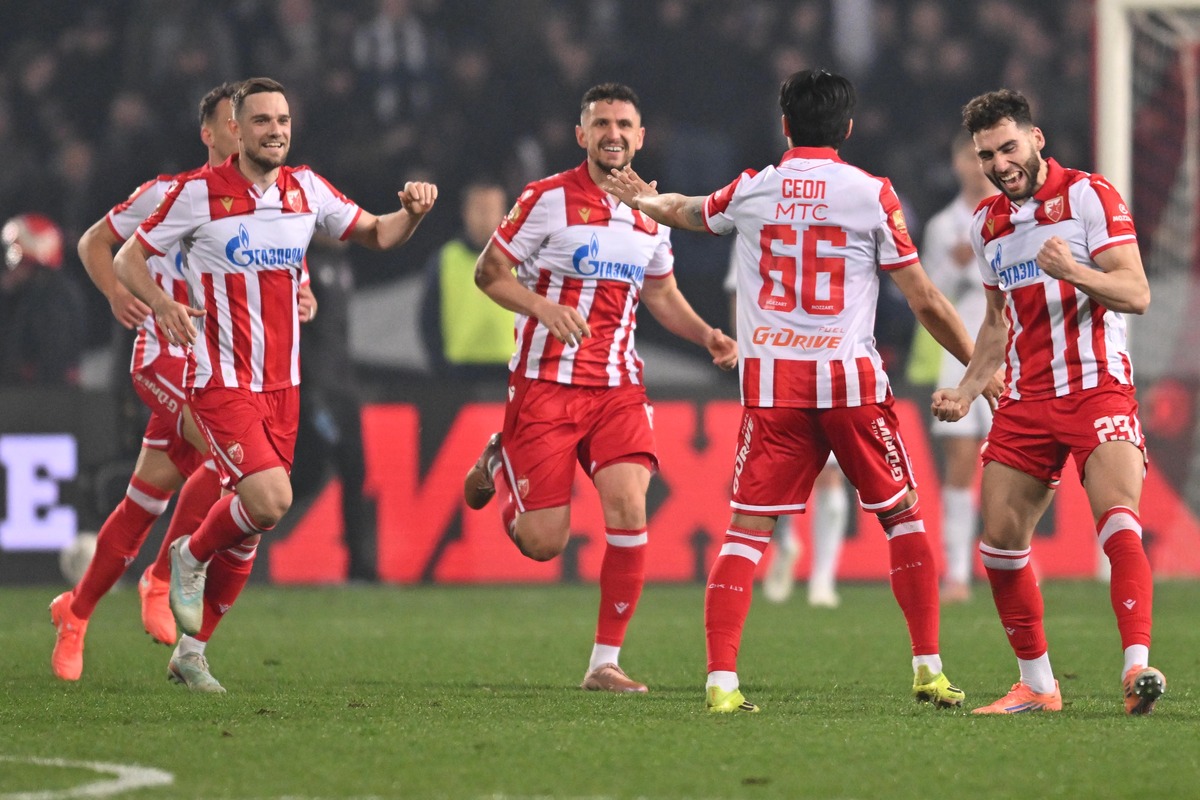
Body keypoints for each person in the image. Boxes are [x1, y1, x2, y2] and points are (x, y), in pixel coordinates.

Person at [604, 68, 993, 713]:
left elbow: (687, 211)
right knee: (902, 519)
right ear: (847, 127)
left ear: (785, 126)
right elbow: (924, 297)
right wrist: (982, 366)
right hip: (848, 383)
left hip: (774, 387)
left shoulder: (754, 189)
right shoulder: (873, 195)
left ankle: (722, 683)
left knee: (745, 532)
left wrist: (644, 200)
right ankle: (928, 669)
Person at [112, 77, 437, 689]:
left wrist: (412, 214)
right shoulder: (196, 194)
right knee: (270, 500)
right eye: (262, 120)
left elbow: (377, 233)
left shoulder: (306, 189)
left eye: (283, 119)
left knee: (254, 526)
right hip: (220, 380)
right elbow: (129, 256)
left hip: (283, 386)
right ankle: (188, 554)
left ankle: (191, 653)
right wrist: (161, 303)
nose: (276, 130)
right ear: (236, 128)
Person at [463, 83, 737, 694]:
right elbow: (489, 272)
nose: (614, 133)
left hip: (617, 387)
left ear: (641, 137)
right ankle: (501, 456)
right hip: (545, 387)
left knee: (630, 506)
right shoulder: (545, 199)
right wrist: (540, 306)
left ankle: (603, 663)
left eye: (625, 124)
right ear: (582, 135)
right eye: (602, 123)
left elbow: (661, 294)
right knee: (542, 543)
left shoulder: (652, 209)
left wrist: (709, 336)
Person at [50, 83, 318, 691]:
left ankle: (78, 612)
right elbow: (95, 242)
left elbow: (281, 264)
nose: (247, 133)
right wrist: (121, 293)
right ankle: (170, 574)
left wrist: (302, 291)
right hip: (165, 359)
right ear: (214, 133)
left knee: (145, 499)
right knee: (243, 471)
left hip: (220, 364)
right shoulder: (169, 194)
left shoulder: (265, 203)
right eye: (236, 123)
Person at [933, 88, 1164, 715]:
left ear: (1036, 140)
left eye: (1009, 148)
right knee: (998, 546)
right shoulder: (989, 224)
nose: (1000, 164)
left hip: (1097, 388)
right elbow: (994, 324)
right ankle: (1038, 685)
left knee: (1118, 519)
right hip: (1027, 400)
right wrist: (969, 386)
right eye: (987, 155)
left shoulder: (1090, 196)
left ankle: (1136, 670)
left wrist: (1075, 272)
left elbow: (1135, 291)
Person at [723, 242, 848, 607]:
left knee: (822, 472)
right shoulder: (753, 223)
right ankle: (800, 557)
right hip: (788, 361)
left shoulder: (825, 226)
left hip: (816, 358)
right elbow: (740, 295)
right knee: (785, 470)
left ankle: (818, 574)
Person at [917, 130, 999, 603]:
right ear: (956, 163)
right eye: (968, 156)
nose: (975, 164)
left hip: (1008, 352)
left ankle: (1015, 550)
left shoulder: (1011, 216)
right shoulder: (943, 225)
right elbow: (931, 291)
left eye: (981, 156)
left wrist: (972, 263)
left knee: (1015, 462)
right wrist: (961, 264)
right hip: (957, 354)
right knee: (961, 463)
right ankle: (957, 574)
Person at [292, 235, 377, 582]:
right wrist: (310, 390)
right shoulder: (303, 261)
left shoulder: (343, 264)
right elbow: (299, 332)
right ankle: (233, 533)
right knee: (303, 476)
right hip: (316, 391)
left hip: (343, 389)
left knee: (355, 472)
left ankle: (360, 566)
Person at [420, 181, 514, 383]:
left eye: (491, 210)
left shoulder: (523, 260)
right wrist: (439, 368)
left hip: (511, 370)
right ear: (465, 213)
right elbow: (428, 319)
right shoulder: (444, 260)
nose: (486, 218)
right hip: (460, 373)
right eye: (479, 210)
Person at [0, 213, 86, 387]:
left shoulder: (53, 296)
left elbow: (51, 354)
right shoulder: (25, 294)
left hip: (42, 394)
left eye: (22, 261)